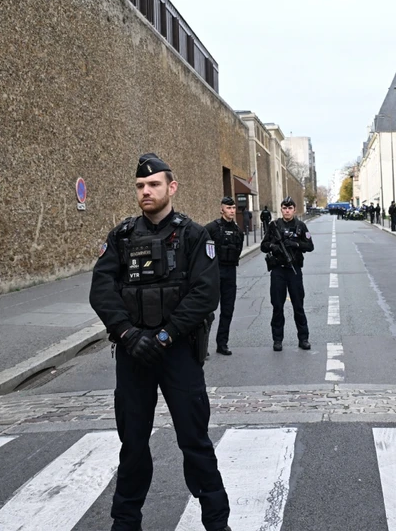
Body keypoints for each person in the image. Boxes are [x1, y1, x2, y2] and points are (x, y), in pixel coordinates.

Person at [89, 153, 231, 531]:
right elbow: (102, 291)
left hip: (178, 353)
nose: (146, 191)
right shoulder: (121, 237)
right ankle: (125, 522)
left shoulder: (193, 236)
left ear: (172, 187)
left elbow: (204, 294)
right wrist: (128, 333)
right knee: (133, 446)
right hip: (133, 354)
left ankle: (217, 523)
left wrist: (166, 335)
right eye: (140, 186)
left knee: (195, 442)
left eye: (154, 184)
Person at [260, 196, 315, 351]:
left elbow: (310, 246)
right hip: (278, 270)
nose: (287, 211)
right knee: (277, 306)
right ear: (281, 209)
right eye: (284, 208)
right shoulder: (274, 226)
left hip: (294, 270)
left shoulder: (300, 226)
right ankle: (277, 340)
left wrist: (295, 244)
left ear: (294, 210)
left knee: (298, 305)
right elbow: (263, 246)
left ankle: (303, 338)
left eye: (290, 208)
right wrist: (273, 246)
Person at [205, 196, 243, 356]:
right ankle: (202, 347)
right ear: (222, 210)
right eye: (228, 208)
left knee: (228, 310)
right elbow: (203, 250)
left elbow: (238, 251)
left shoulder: (238, 231)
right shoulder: (211, 228)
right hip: (214, 272)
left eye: (233, 208)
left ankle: (222, 344)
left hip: (230, 273)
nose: (232, 211)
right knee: (207, 311)